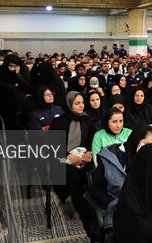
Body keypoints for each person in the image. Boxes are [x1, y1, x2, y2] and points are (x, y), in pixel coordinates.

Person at [90, 126, 152, 234]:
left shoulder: (150, 160)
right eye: (147, 144)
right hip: (117, 211)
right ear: (137, 139)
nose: (150, 149)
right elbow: (96, 190)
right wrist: (112, 204)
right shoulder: (109, 158)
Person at [50, 91, 95, 235]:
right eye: (77, 103)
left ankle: (94, 206)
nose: (81, 106)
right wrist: (68, 156)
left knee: (94, 173)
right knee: (74, 177)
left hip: (83, 157)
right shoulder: (59, 122)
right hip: (63, 158)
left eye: (82, 102)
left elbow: (92, 141)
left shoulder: (87, 120)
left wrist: (89, 152)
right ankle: (88, 221)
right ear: (69, 104)